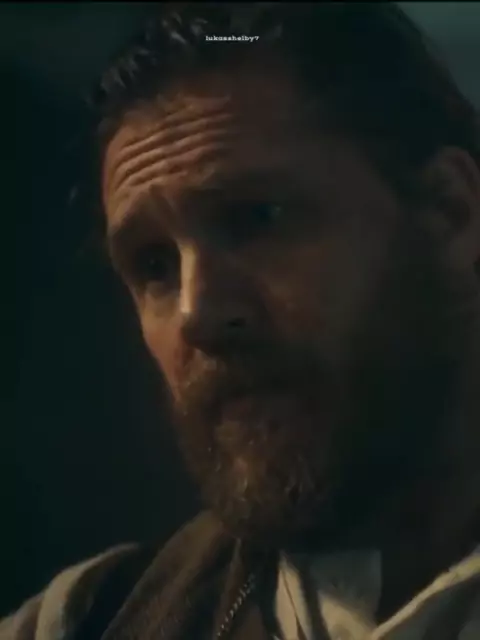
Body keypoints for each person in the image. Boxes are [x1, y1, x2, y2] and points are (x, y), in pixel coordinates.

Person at [3, 3, 480, 639]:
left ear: (450, 213)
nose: (197, 314)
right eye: (154, 265)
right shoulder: (87, 620)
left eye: (258, 218)